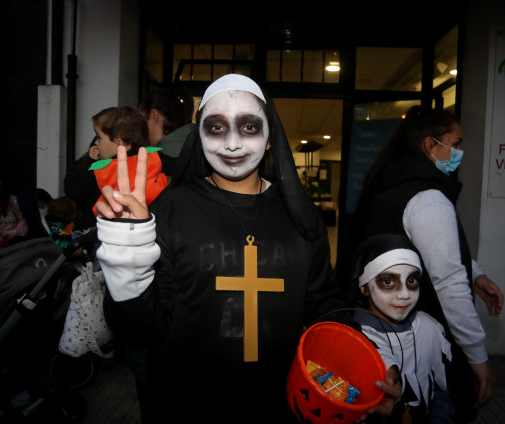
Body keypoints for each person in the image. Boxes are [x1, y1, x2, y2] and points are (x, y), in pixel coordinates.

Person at [94, 74, 400, 423]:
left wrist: (369, 366)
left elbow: (324, 309)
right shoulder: (170, 209)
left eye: (250, 126)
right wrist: (126, 260)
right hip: (184, 403)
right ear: (200, 135)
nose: (234, 143)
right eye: (217, 127)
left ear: (270, 138)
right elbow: (140, 329)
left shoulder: (299, 216)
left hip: (277, 403)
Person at [341, 105, 504, 424]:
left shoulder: (390, 183)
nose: (460, 151)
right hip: (421, 339)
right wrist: (477, 356)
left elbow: (425, 246)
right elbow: (447, 280)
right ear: (431, 146)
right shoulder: (428, 197)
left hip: (381, 330)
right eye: (455, 144)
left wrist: (476, 274)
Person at [350, 234, 454, 424]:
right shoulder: (351, 338)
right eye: (388, 282)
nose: (405, 294)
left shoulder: (430, 329)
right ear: (364, 287)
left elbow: (443, 391)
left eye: (412, 281)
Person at [64, 107, 167, 230]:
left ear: (119, 143)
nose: (96, 143)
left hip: (112, 228)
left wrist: (90, 161)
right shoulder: (155, 156)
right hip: (151, 224)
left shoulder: (102, 169)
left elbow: (74, 192)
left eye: (99, 137)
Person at [138, 85, 195, 158]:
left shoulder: (161, 157)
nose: (138, 127)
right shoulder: (192, 144)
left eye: (141, 119)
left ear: (154, 116)